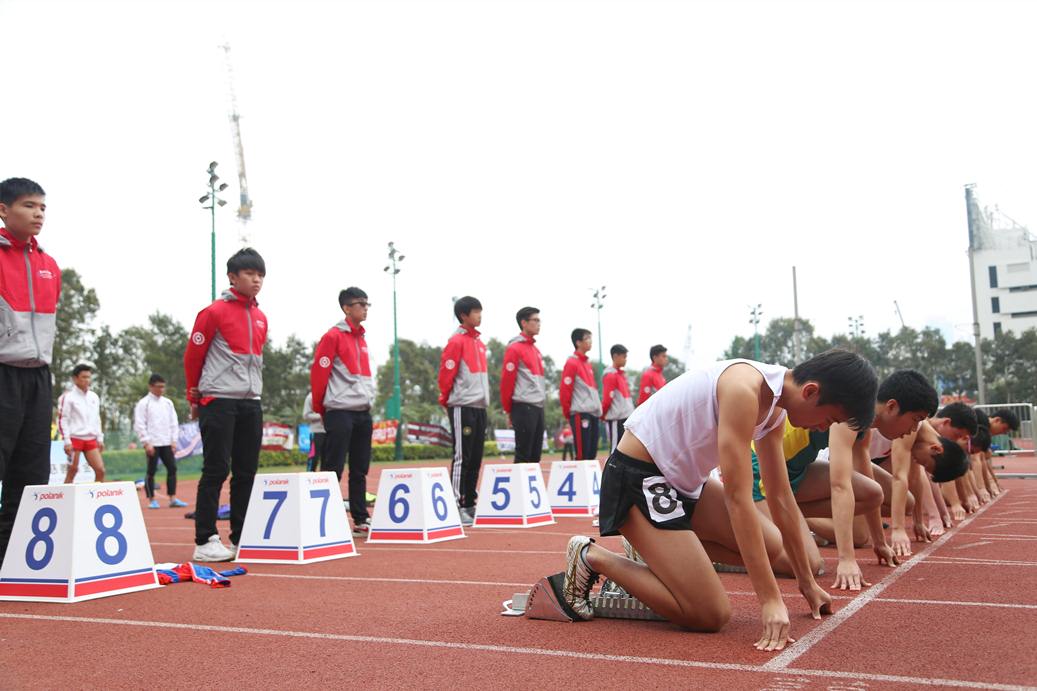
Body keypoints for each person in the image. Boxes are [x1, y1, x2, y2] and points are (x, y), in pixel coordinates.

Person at [558, 350, 877, 650]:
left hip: (685, 487)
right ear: (810, 392)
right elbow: (738, 499)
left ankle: (657, 548)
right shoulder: (743, 388)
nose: (824, 428)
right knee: (709, 614)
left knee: (771, 545)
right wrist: (769, 599)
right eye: (830, 419)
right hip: (638, 476)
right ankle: (591, 556)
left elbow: (780, 497)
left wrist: (805, 582)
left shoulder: (776, 410)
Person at [747, 370, 939, 587]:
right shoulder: (852, 411)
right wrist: (846, 559)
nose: (914, 429)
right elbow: (840, 485)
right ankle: (734, 552)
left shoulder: (866, 421)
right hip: (763, 468)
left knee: (873, 494)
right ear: (892, 406)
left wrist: (879, 542)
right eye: (915, 420)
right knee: (809, 565)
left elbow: (864, 471)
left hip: (797, 469)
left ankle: (792, 518)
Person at [184, 248, 268, 562]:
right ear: (233, 277)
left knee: (247, 472)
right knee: (217, 469)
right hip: (218, 400)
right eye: (249, 274)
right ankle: (205, 539)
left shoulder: (261, 317)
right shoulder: (213, 312)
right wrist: (195, 397)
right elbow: (193, 357)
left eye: (260, 275)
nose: (256, 280)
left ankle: (242, 537)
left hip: (251, 402)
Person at [0, 178, 61, 564]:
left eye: (42, 207)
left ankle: (13, 558)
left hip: (39, 377)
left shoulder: (49, 264)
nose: (37, 213)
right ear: (3, 210)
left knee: (32, 471)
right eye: (28, 206)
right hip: (2, 372)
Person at [870, 402, 976, 556]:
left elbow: (914, 479)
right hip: (839, 464)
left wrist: (918, 521)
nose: (920, 464)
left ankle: (851, 517)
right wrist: (898, 529)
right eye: (925, 463)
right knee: (860, 537)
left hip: (864, 467)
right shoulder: (910, 426)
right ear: (935, 449)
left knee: (908, 503)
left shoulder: (921, 439)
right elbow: (900, 477)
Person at [311, 287, 376, 537]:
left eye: (367, 303)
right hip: (339, 412)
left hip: (362, 412)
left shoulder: (362, 339)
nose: (365, 308)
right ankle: (325, 517)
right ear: (346, 308)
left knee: (360, 469)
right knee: (333, 466)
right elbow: (319, 374)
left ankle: (360, 518)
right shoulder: (333, 336)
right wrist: (321, 408)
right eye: (361, 303)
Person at [437, 296, 489, 526]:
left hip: (479, 405)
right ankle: (456, 503)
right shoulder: (456, 341)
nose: (480, 316)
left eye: (480, 311)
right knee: (462, 456)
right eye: (476, 312)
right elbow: (446, 374)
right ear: (463, 315)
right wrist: (447, 398)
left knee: (476, 456)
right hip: (462, 405)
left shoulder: (479, 343)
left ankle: (470, 502)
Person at [501, 306, 547, 463]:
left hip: (538, 406)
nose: (539, 324)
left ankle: (530, 488)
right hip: (523, 406)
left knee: (535, 455)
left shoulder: (536, 351)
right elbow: (507, 382)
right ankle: (517, 487)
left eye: (539, 320)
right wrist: (509, 410)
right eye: (535, 320)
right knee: (523, 453)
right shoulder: (514, 348)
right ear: (524, 323)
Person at [133, 373, 185, 508]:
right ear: (150, 386)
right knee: (151, 471)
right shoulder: (144, 403)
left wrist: (174, 440)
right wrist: (146, 442)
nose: (161, 390)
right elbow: (139, 424)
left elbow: (174, 422)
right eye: (158, 387)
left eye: (163, 387)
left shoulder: (168, 403)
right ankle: (152, 499)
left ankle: (172, 498)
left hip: (167, 442)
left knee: (172, 468)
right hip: (152, 443)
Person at [58, 364, 106, 483]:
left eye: (89, 377)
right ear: (75, 379)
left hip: (90, 439)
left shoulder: (94, 396)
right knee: (72, 470)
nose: (87, 380)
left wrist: (100, 438)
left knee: (100, 470)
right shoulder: (68, 397)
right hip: (75, 439)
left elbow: (97, 418)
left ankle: (96, 499)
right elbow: (63, 419)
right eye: (83, 377)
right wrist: (67, 441)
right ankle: (64, 500)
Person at [560, 328, 602, 460]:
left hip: (593, 413)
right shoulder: (572, 362)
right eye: (587, 338)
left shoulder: (587, 364)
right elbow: (565, 390)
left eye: (591, 338)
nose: (590, 342)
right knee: (582, 454)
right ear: (578, 342)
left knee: (591, 453)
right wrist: (569, 412)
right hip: (580, 413)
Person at [601, 344, 634, 453]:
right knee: (615, 448)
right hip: (616, 418)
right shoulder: (610, 375)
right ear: (615, 356)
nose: (626, 360)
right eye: (624, 357)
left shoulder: (621, 375)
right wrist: (603, 415)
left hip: (626, 417)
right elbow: (607, 399)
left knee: (625, 449)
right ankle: (611, 470)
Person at [302, 392, 325, 473]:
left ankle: (325, 481)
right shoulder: (311, 397)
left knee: (327, 459)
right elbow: (305, 415)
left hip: (330, 432)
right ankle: (309, 477)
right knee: (314, 457)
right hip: (316, 432)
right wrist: (321, 416)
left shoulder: (332, 395)